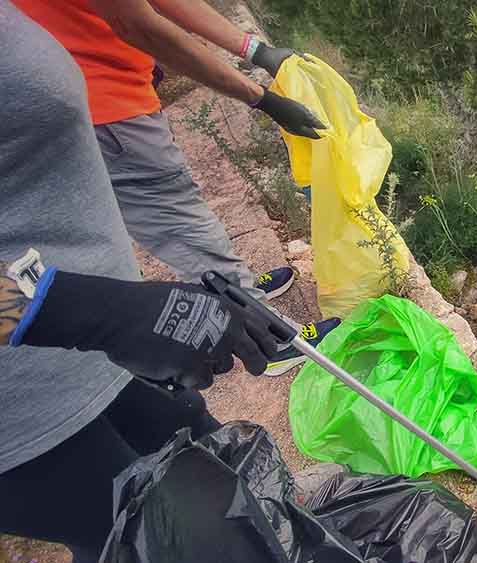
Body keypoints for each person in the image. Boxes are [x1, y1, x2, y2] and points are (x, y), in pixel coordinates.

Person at [0, 2, 281, 560]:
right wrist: (92, 311)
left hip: (104, 360)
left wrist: (122, 311)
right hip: (24, 412)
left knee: (245, 500)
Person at [11, 0, 337, 375]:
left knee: (179, 217)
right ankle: (269, 335)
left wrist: (253, 50)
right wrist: (260, 98)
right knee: (181, 224)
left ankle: (239, 289)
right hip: (106, 110)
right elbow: (140, 24)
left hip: (103, 94)